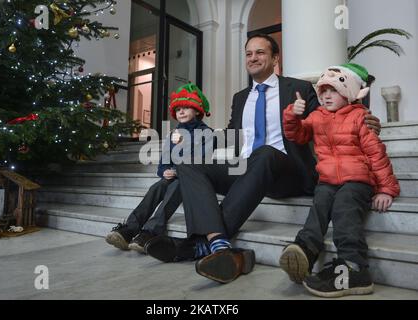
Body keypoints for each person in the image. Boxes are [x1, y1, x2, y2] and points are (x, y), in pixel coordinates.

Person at [145, 34, 381, 284]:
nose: (253, 58)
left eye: (260, 53)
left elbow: (330, 116)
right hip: (247, 168)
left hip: (287, 170)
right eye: (248, 54)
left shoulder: (297, 88)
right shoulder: (240, 97)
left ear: (275, 58)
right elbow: (232, 137)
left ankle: (198, 244)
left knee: (265, 152)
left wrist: (364, 116)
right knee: (189, 163)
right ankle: (216, 241)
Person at [279, 63, 400, 298]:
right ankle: (305, 249)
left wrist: (386, 188)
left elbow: (376, 154)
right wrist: (292, 115)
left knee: (344, 207)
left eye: (332, 90)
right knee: (321, 202)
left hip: (357, 180)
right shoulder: (316, 117)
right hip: (328, 180)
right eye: (322, 91)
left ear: (349, 93)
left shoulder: (359, 117)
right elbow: (297, 134)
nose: (326, 96)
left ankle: (354, 268)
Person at [106, 83, 214, 254]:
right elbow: (164, 162)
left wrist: (183, 148)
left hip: (193, 179)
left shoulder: (207, 134)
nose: (182, 112)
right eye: (178, 109)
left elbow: (202, 161)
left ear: (197, 111)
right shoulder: (172, 135)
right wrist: (164, 171)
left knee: (177, 187)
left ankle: (150, 231)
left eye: (186, 107)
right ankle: (129, 228)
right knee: (157, 186)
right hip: (174, 176)